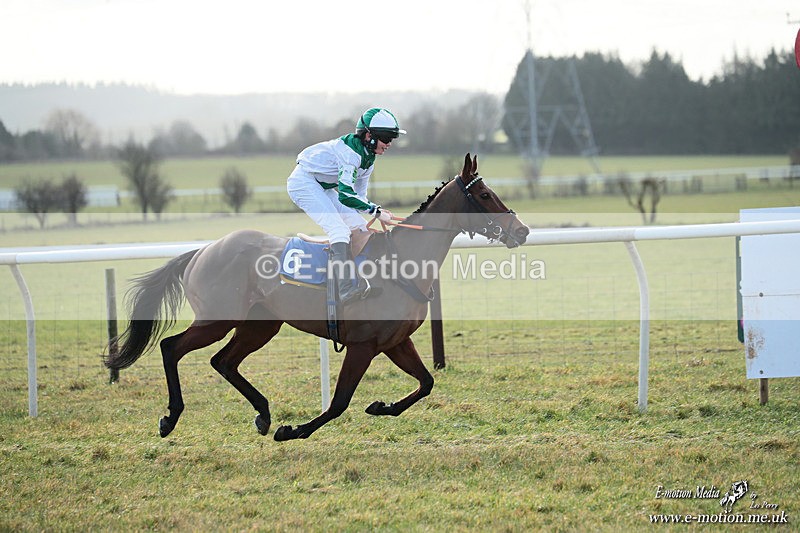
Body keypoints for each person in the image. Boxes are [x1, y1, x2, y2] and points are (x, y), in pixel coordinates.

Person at [287, 107, 406, 304]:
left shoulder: (369, 158)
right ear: (369, 136)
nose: (389, 144)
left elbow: (359, 197)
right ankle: (343, 290)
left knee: (359, 227)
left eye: (392, 139)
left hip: (322, 186)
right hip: (303, 183)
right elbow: (345, 195)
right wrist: (376, 212)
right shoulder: (350, 154)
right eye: (386, 138)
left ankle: (362, 278)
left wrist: (377, 210)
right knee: (339, 231)